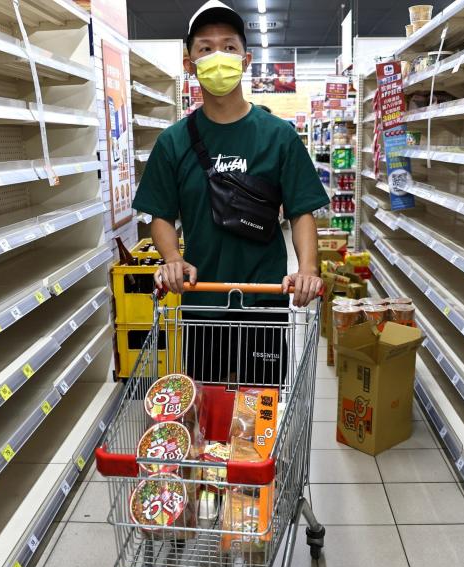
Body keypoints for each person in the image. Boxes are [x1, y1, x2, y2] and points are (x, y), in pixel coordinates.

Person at [133, 0, 328, 384]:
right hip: (203, 301)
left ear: (246, 58)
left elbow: (301, 210)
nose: (217, 56)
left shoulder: (279, 136)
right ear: (189, 63)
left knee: (259, 415)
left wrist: (307, 269)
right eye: (205, 48)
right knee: (209, 415)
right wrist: (171, 257)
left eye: (228, 46)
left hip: (265, 303)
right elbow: (160, 215)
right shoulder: (172, 143)